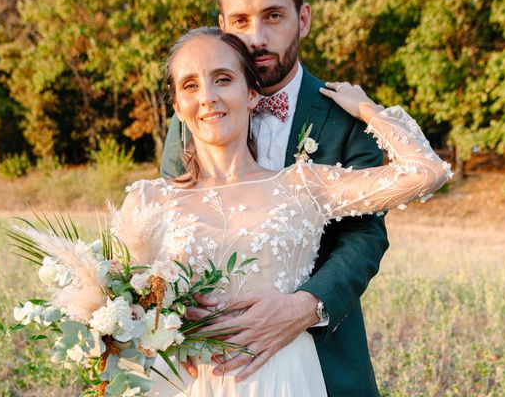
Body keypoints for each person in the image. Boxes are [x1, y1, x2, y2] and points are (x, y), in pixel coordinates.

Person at [118, 26, 451, 396]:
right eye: (190, 85)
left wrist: (367, 110)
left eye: (223, 79)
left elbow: (428, 172)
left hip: (284, 379)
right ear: (178, 107)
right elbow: (127, 309)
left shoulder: (302, 186)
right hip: (186, 384)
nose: (208, 96)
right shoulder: (149, 201)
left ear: (251, 95)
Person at [161, 0, 387, 396]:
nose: (256, 37)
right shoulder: (190, 118)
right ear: (224, 25)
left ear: (301, 18)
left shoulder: (345, 117)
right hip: (206, 364)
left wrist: (305, 306)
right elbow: (171, 224)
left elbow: (364, 237)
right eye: (241, 21)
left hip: (318, 354)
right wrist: (176, 303)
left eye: (273, 16)